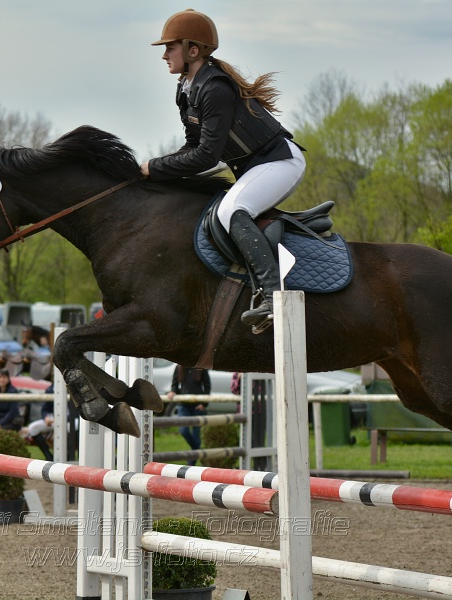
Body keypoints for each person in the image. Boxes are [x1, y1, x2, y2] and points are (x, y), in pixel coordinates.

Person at [141, 9, 306, 330]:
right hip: (256, 166)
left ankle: (273, 296)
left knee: (232, 210)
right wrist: (154, 172)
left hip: (280, 162)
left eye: (170, 48)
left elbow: (206, 157)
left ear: (192, 50)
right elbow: (192, 146)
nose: (164, 55)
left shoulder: (215, 88)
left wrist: (155, 167)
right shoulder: (187, 88)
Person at [167, 366, 211, 465]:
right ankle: (198, 450)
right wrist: (173, 391)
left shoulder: (201, 367)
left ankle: (190, 465)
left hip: (198, 407)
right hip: (183, 405)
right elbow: (174, 384)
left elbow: (207, 386)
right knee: (183, 430)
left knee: (196, 435)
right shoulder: (179, 367)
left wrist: (204, 404)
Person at [22, 384, 55, 461]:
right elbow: (45, 409)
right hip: (53, 419)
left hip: (71, 420)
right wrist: (46, 417)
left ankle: (68, 456)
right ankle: (49, 456)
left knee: (73, 425)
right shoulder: (50, 389)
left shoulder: (72, 385)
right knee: (33, 427)